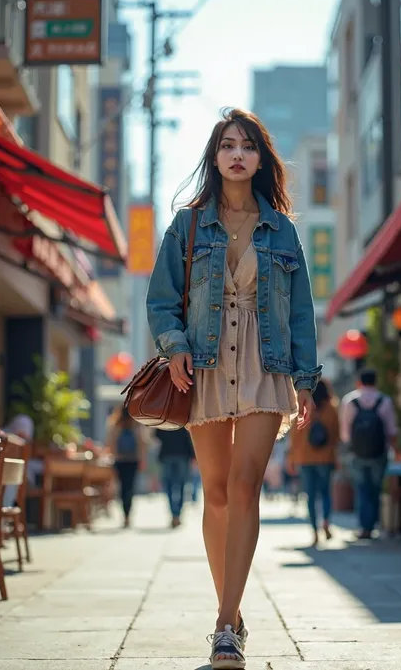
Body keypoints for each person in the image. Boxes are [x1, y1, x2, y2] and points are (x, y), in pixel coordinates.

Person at [146, 107, 321, 669]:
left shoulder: (283, 230)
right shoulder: (188, 224)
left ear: (261, 159)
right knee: (216, 492)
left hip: (267, 366)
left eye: (248, 145)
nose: (238, 153)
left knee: (246, 487)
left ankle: (225, 626)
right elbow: (161, 298)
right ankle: (234, 610)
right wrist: (174, 348)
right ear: (215, 156)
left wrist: (306, 380)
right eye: (228, 144)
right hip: (203, 366)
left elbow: (300, 313)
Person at [340, 368, 398, 540]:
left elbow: (345, 432)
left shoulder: (350, 400)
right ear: (376, 381)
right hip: (379, 453)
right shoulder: (384, 401)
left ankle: (365, 527)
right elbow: (391, 429)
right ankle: (374, 524)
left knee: (362, 489)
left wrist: (351, 444)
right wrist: (394, 449)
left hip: (357, 453)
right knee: (376, 489)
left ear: (360, 382)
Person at [288, 378, 339, 546]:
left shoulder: (302, 409)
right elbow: (336, 436)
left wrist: (291, 459)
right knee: (325, 492)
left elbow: (294, 437)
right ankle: (326, 521)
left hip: (305, 458)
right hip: (326, 457)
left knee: (309, 496)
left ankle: (314, 531)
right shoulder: (331, 409)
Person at [106, 406, 147, 528]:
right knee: (130, 488)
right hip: (133, 460)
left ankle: (125, 514)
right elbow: (142, 442)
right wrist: (141, 459)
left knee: (122, 488)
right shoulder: (136, 424)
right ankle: (128, 514)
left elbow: (110, 442)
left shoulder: (115, 424)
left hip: (120, 460)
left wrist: (113, 456)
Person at [154, 427, 195, 528]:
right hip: (182, 454)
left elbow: (157, 435)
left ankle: (174, 513)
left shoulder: (164, 416)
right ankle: (177, 514)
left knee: (168, 485)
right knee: (181, 485)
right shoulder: (184, 416)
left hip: (167, 454)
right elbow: (189, 437)